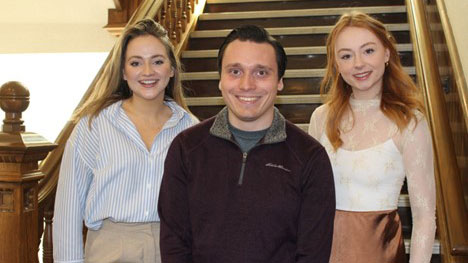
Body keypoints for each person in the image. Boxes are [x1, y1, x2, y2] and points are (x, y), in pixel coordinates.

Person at [158, 25, 335, 263]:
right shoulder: (186, 148)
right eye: (235, 71)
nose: (246, 85)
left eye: (261, 72)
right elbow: (174, 243)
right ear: (220, 79)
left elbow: (313, 253)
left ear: (280, 81)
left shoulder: (310, 157)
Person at [53, 18, 198, 263]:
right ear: (123, 71)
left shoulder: (191, 130)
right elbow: (68, 212)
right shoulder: (94, 126)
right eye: (136, 63)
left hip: (172, 248)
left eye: (158, 61)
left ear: (172, 69)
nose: (148, 72)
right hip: (110, 248)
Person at [308, 11, 436, 262]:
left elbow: (424, 217)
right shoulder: (321, 117)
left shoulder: (410, 122)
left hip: (380, 254)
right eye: (346, 55)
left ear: (387, 53)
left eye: (368, 51)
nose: (358, 64)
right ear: (336, 64)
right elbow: (308, 200)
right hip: (323, 252)